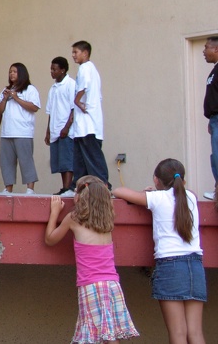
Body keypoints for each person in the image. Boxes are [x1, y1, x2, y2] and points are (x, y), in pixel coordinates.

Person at [114, 160, 206, 344]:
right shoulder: (191, 197)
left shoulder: (157, 198)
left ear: (156, 180)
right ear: (182, 179)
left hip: (171, 266)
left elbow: (118, 191)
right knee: (195, 333)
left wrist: (145, 193)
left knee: (178, 333)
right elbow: (186, 193)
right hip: (195, 265)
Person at [45, 176, 140, 343]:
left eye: (75, 191)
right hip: (112, 284)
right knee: (110, 335)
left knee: (96, 337)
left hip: (92, 285)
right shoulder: (107, 219)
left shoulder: (74, 218)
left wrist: (54, 212)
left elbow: (50, 239)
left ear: (81, 196)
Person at [68, 41, 110, 194]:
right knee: (80, 160)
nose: (73, 55)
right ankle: (76, 187)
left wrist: (77, 101)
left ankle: (104, 187)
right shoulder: (91, 69)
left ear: (85, 53)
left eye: (76, 52)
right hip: (82, 126)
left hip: (88, 125)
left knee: (93, 158)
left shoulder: (85, 68)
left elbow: (84, 86)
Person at [0, 63, 40, 194]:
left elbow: (34, 107)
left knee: (26, 161)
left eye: (14, 71)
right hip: (7, 132)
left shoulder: (30, 89)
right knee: (7, 162)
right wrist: (5, 99)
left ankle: (30, 189)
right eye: (10, 72)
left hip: (23, 132)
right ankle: (8, 188)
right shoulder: (5, 90)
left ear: (21, 73)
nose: (12, 74)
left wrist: (16, 98)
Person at [45, 56, 76, 195]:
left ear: (62, 70)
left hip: (66, 130)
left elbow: (74, 109)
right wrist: (48, 131)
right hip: (55, 129)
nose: (52, 72)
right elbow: (50, 112)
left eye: (54, 69)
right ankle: (64, 187)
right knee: (60, 162)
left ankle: (68, 188)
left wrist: (67, 127)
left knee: (67, 161)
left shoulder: (71, 84)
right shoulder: (53, 88)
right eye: (51, 69)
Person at [201, 36, 218, 200]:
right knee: (215, 157)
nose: (203, 51)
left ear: (216, 49)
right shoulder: (215, 70)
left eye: (206, 47)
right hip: (214, 120)